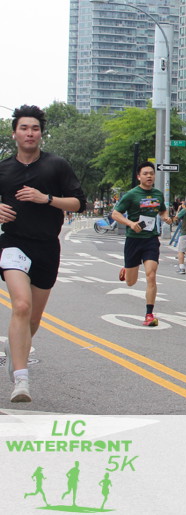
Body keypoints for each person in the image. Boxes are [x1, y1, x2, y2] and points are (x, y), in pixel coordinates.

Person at [0, 105, 86, 404]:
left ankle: (14, 349)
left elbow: (79, 203)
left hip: (47, 247)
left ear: (41, 134)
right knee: (21, 305)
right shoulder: (4, 168)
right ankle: (21, 380)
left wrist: (45, 198)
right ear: (14, 133)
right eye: (24, 128)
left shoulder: (56, 166)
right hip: (13, 244)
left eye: (35, 128)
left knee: (33, 319)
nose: (29, 133)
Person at [111, 161, 173, 327]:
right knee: (130, 282)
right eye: (145, 174)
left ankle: (149, 314)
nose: (149, 176)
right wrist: (131, 223)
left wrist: (165, 217)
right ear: (139, 177)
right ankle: (127, 270)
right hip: (133, 240)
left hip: (151, 239)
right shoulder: (131, 195)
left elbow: (162, 209)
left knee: (151, 275)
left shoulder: (158, 195)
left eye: (151, 173)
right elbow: (115, 214)